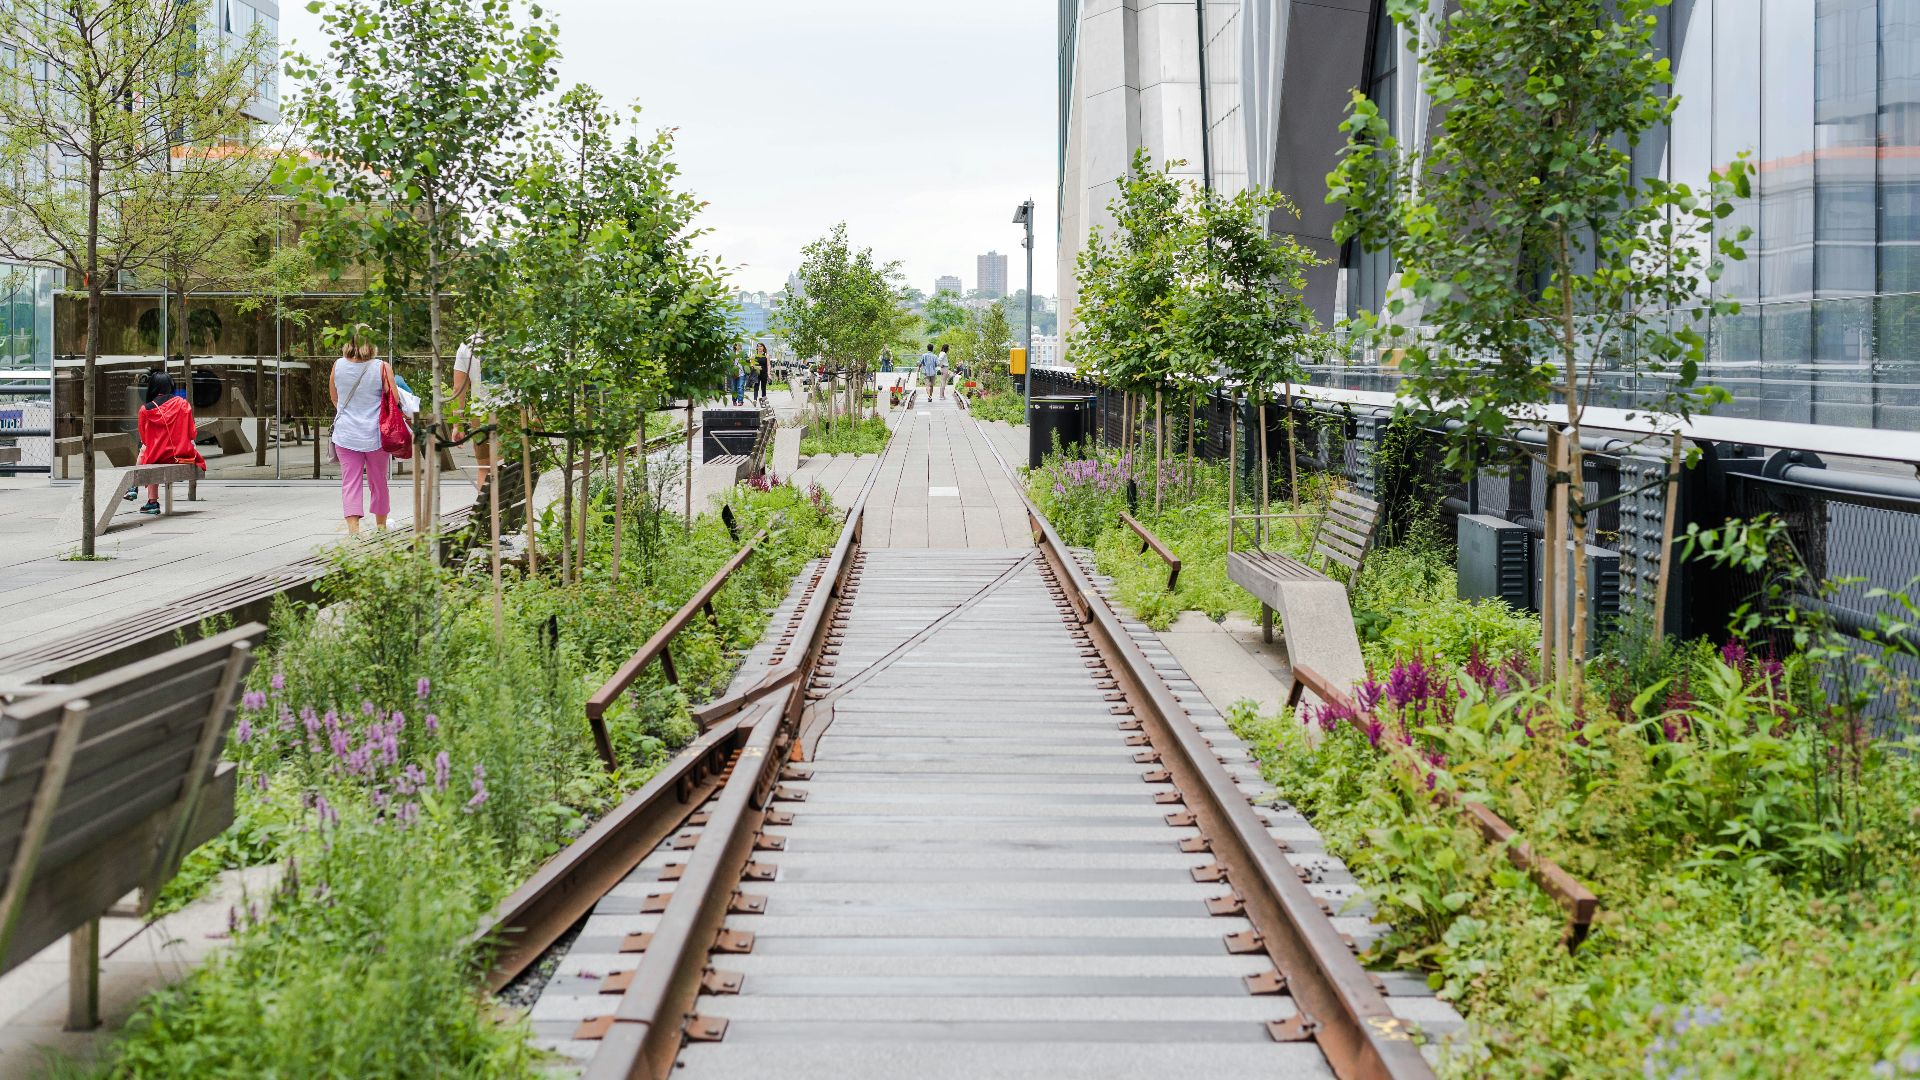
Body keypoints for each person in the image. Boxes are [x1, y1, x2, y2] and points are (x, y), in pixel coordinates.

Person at [330, 337, 401, 535]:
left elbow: (334, 397)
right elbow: (393, 399)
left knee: (350, 483)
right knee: (378, 482)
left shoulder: (338, 365)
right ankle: (380, 530)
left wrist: (351, 412)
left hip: (345, 435)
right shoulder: (382, 367)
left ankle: (354, 534)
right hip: (375, 436)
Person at [128, 371, 204, 514]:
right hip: (182, 455)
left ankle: (143, 495)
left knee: (147, 452)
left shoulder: (145, 410)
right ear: (171, 386)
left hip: (157, 457)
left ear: (152, 387)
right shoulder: (183, 404)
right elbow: (192, 433)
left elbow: (145, 439)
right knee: (150, 454)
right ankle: (145, 497)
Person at [451, 336, 491, 489]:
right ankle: (503, 511)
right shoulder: (515, 334)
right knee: (507, 466)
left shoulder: (467, 345)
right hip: (510, 414)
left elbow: (458, 390)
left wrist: (458, 424)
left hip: (480, 415)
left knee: (484, 468)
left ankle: (486, 511)